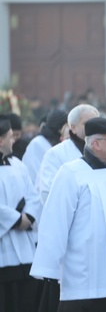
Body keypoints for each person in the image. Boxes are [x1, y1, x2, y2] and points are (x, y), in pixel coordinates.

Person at [30, 117, 106, 312]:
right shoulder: (71, 173)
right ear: (96, 143)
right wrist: (49, 268)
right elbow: (55, 222)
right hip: (86, 277)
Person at [0, 115, 42, 312]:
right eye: (10, 136)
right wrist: (17, 219)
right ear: (1, 140)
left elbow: (33, 195)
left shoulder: (18, 164)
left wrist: (28, 217)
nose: (14, 140)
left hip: (25, 255)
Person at [38, 104, 99, 204]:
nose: (93, 127)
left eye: (96, 123)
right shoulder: (55, 154)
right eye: (87, 124)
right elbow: (48, 192)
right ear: (73, 128)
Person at [22, 109, 68, 184]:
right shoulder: (37, 144)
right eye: (67, 126)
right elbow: (34, 176)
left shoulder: (59, 142)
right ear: (60, 129)